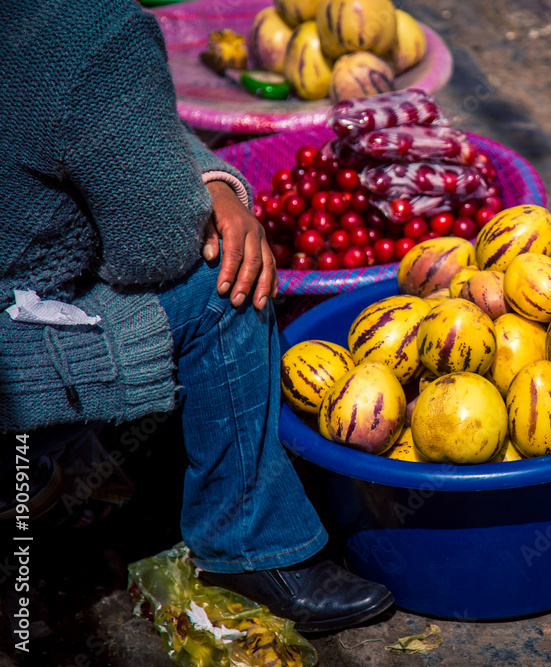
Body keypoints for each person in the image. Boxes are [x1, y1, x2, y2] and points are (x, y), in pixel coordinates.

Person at [0, 0, 392, 633]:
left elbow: (95, 120)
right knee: (227, 280)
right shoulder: (92, 29)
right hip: (9, 349)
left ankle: (37, 468)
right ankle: (251, 544)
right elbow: (153, 249)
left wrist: (208, 178)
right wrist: (215, 195)